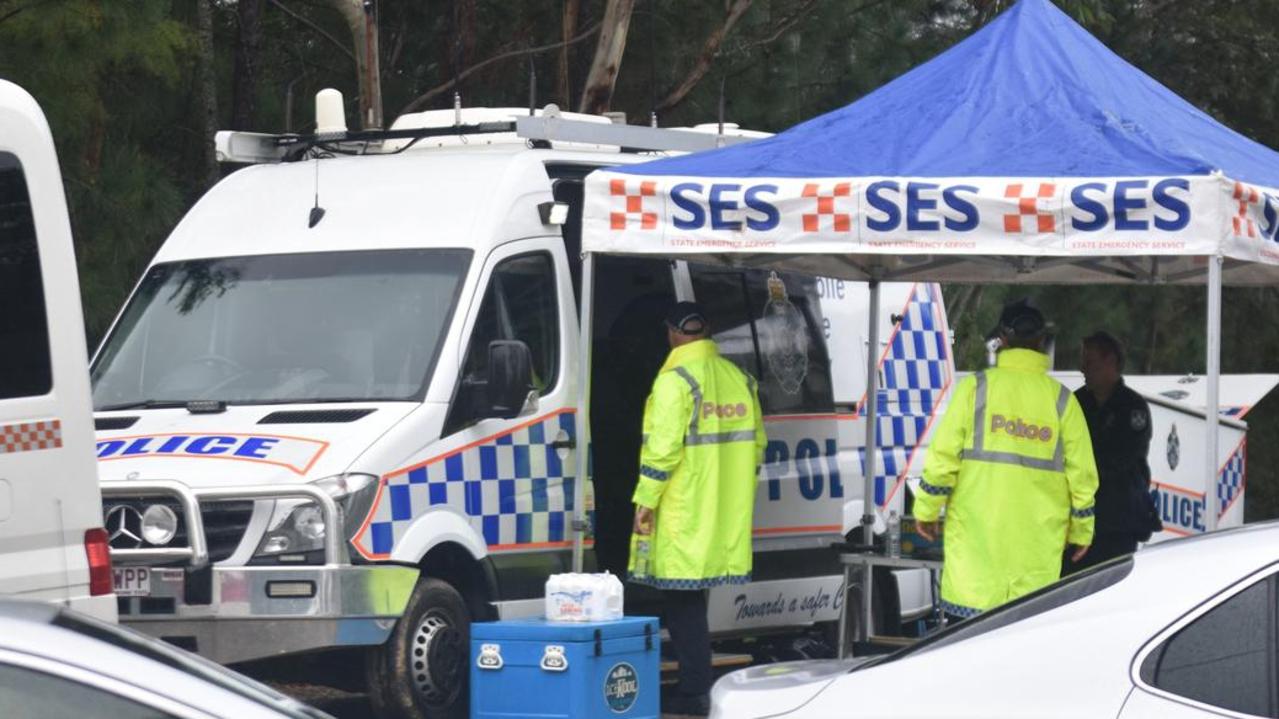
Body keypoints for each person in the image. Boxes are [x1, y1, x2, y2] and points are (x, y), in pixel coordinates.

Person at [915, 298, 1098, 622]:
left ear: (1002, 338)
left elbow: (942, 458)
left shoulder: (975, 389)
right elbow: (1083, 477)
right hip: (1034, 573)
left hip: (974, 575)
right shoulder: (1062, 401)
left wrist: (927, 510)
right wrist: (1082, 531)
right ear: (1042, 341)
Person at [629, 301, 766, 716]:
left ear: (672, 333)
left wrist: (645, 501)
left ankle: (693, 691)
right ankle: (696, 685)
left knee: (681, 602)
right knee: (694, 599)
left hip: (684, 508)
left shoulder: (675, 381)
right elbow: (758, 446)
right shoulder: (738, 378)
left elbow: (663, 449)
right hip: (723, 507)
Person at [1064, 331, 1156, 573]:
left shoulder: (1132, 407)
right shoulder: (1076, 403)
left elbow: (1124, 457)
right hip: (1077, 521)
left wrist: (1082, 470)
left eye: (1089, 361)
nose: (1082, 368)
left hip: (1117, 522)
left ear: (1110, 362)